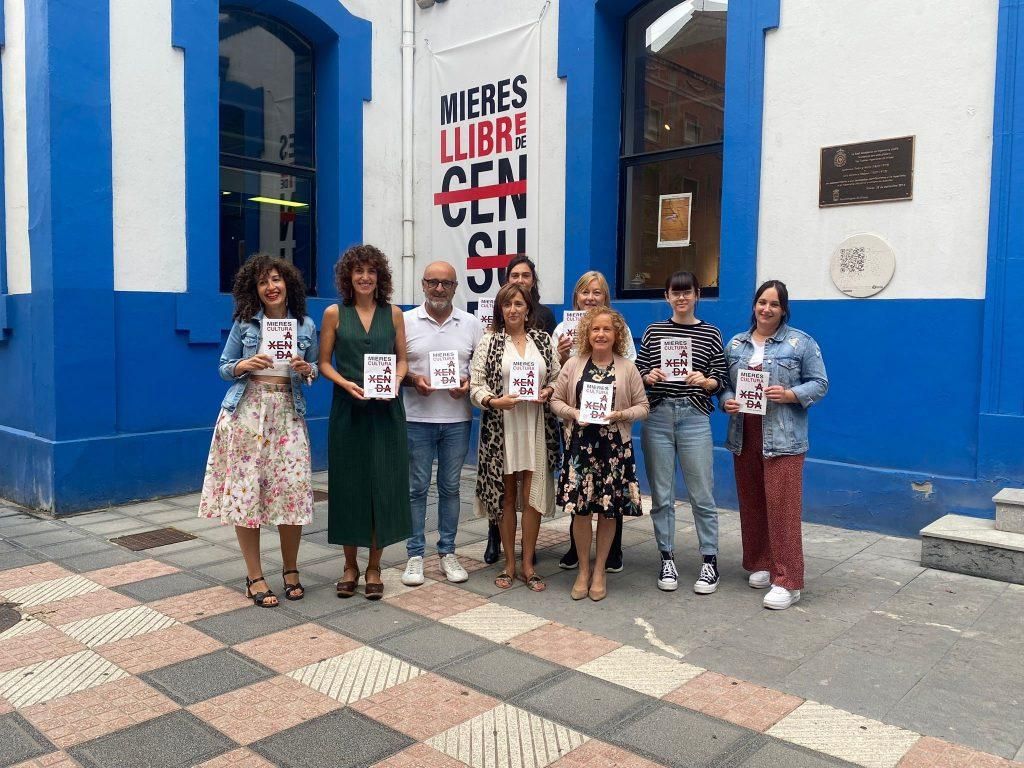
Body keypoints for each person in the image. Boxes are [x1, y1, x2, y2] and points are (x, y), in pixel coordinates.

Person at [198, 254, 318, 607]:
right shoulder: (246, 324)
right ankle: (254, 576)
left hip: (287, 413)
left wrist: (306, 369)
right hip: (247, 412)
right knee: (246, 491)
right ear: (255, 289)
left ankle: (291, 570)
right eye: (263, 282)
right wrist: (244, 364)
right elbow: (223, 367)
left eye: (276, 279)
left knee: (292, 489)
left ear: (288, 284)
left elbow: (314, 370)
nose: (271, 287)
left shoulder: (305, 325)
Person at [722, 280, 828, 610]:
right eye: (762, 302)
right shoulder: (736, 344)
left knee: (783, 507)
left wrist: (790, 394)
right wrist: (727, 400)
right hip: (744, 434)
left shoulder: (800, 343)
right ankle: (761, 563)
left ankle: (788, 580)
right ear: (754, 305)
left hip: (783, 437)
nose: (766, 309)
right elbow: (724, 385)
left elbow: (820, 383)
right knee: (752, 502)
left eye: (774, 304)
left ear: (783, 310)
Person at [319, 244, 411, 600]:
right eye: (359, 271)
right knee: (349, 487)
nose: (365, 277)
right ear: (348, 276)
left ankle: (374, 567)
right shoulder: (334, 314)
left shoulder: (395, 314)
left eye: (371, 271)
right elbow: (323, 363)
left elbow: (402, 360)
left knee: (383, 487)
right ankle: (349, 566)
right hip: (349, 411)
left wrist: (396, 381)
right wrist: (345, 383)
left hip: (387, 412)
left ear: (380, 276)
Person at [637, 270, 726, 594]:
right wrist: (648, 376)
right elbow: (638, 369)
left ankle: (710, 561)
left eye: (687, 292)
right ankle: (666, 558)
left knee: (702, 493)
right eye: (675, 292)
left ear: (697, 294)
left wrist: (707, 381)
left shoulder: (711, 333)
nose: (682, 297)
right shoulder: (654, 331)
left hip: (694, 418)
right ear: (667, 296)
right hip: (658, 416)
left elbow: (721, 376)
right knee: (661, 496)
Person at [551, 308, 648, 601]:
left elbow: (643, 406)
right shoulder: (574, 364)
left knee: (608, 511)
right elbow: (555, 401)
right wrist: (573, 413)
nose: (601, 334)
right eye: (595, 329)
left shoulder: (627, 368)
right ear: (587, 333)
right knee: (581, 512)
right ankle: (583, 570)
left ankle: (600, 571)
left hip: (614, 449)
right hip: (581, 447)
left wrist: (620, 414)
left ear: (616, 335)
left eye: (607, 329)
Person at [470, 281, 560, 591]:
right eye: (507, 304)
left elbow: (557, 377)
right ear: (500, 309)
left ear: (527, 308)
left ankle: (528, 563)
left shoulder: (543, 340)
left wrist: (548, 391)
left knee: (533, 498)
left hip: (535, 424)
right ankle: (509, 563)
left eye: (518, 304)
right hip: (503, 427)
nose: (512, 309)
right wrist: (494, 401)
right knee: (506, 497)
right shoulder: (489, 341)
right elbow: (476, 385)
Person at [400, 262, 483, 586]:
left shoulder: (471, 324)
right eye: (433, 282)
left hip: (456, 419)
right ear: (423, 284)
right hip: (416, 418)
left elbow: (480, 368)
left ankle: (448, 551)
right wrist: (413, 380)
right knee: (416, 488)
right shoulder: (404, 322)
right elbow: (395, 367)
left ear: (455, 287)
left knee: (450, 488)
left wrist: (469, 383)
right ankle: (415, 555)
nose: (439, 288)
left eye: (446, 283)